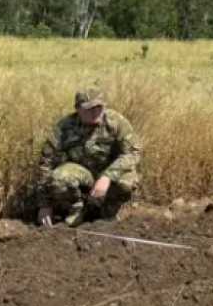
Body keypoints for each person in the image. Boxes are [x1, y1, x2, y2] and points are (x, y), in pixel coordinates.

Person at [35, 88, 142, 227]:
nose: (95, 112)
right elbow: (45, 163)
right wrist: (44, 205)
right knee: (59, 177)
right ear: (78, 109)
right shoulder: (64, 127)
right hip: (82, 174)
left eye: (99, 107)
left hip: (110, 173)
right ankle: (78, 209)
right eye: (89, 108)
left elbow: (133, 152)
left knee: (126, 182)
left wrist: (107, 176)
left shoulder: (116, 122)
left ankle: (109, 211)